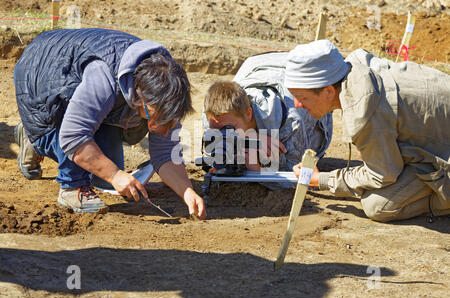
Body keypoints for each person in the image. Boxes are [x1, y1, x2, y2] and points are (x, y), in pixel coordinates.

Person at [13, 28, 206, 219]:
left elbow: (165, 152)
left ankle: (39, 139)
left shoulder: (170, 90)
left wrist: (187, 192)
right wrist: (114, 175)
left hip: (84, 82)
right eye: (151, 115)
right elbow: (74, 136)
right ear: (139, 95)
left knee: (104, 174)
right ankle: (70, 183)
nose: (155, 127)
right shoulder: (103, 77)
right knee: (87, 155)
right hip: (39, 77)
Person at [286, 39, 450, 222]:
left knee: (377, 205)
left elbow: (382, 176)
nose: (297, 105)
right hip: (439, 135)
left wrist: (320, 180)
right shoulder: (358, 70)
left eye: (301, 97)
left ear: (329, 92)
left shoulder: (365, 111)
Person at [202, 52, 333, 189]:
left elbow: (299, 179)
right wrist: (250, 139)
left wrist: (257, 172)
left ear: (248, 114)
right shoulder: (214, 118)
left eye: (230, 128)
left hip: (305, 78)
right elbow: (213, 160)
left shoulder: (291, 123)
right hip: (258, 65)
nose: (223, 134)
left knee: (275, 158)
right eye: (217, 130)